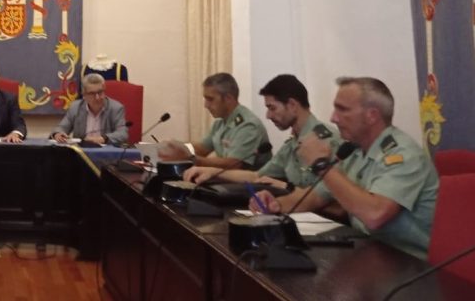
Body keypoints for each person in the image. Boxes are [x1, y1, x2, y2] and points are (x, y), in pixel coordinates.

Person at [250, 77, 439, 260]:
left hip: (410, 262)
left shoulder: (403, 155)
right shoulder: (354, 151)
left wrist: (321, 165)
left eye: (342, 110)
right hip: (369, 251)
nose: (333, 118)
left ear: (371, 115)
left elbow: (375, 215)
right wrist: (276, 204)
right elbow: (314, 197)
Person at [183, 74, 341, 188]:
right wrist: (212, 172)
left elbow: (328, 198)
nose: (268, 115)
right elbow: (256, 176)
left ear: (292, 105)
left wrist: (286, 188)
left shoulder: (325, 139)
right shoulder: (292, 144)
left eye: (272, 108)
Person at [159, 72, 272, 169]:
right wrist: (177, 146)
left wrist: (191, 158)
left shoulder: (248, 125)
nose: (206, 105)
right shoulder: (220, 122)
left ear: (228, 98)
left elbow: (233, 164)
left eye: (210, 99)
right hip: (228, 181)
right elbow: (202, 149)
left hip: (249, 184)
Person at [50, 72, 127, 145]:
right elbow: (62, 127)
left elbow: (123, 134)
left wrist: (103, 138)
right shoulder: (76, 107)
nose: (97, 97)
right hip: (82, 152)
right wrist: (58, 134)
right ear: (84, 95)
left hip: (106, 152)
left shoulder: (116, 108)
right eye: (92, 93)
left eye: (100, 92)